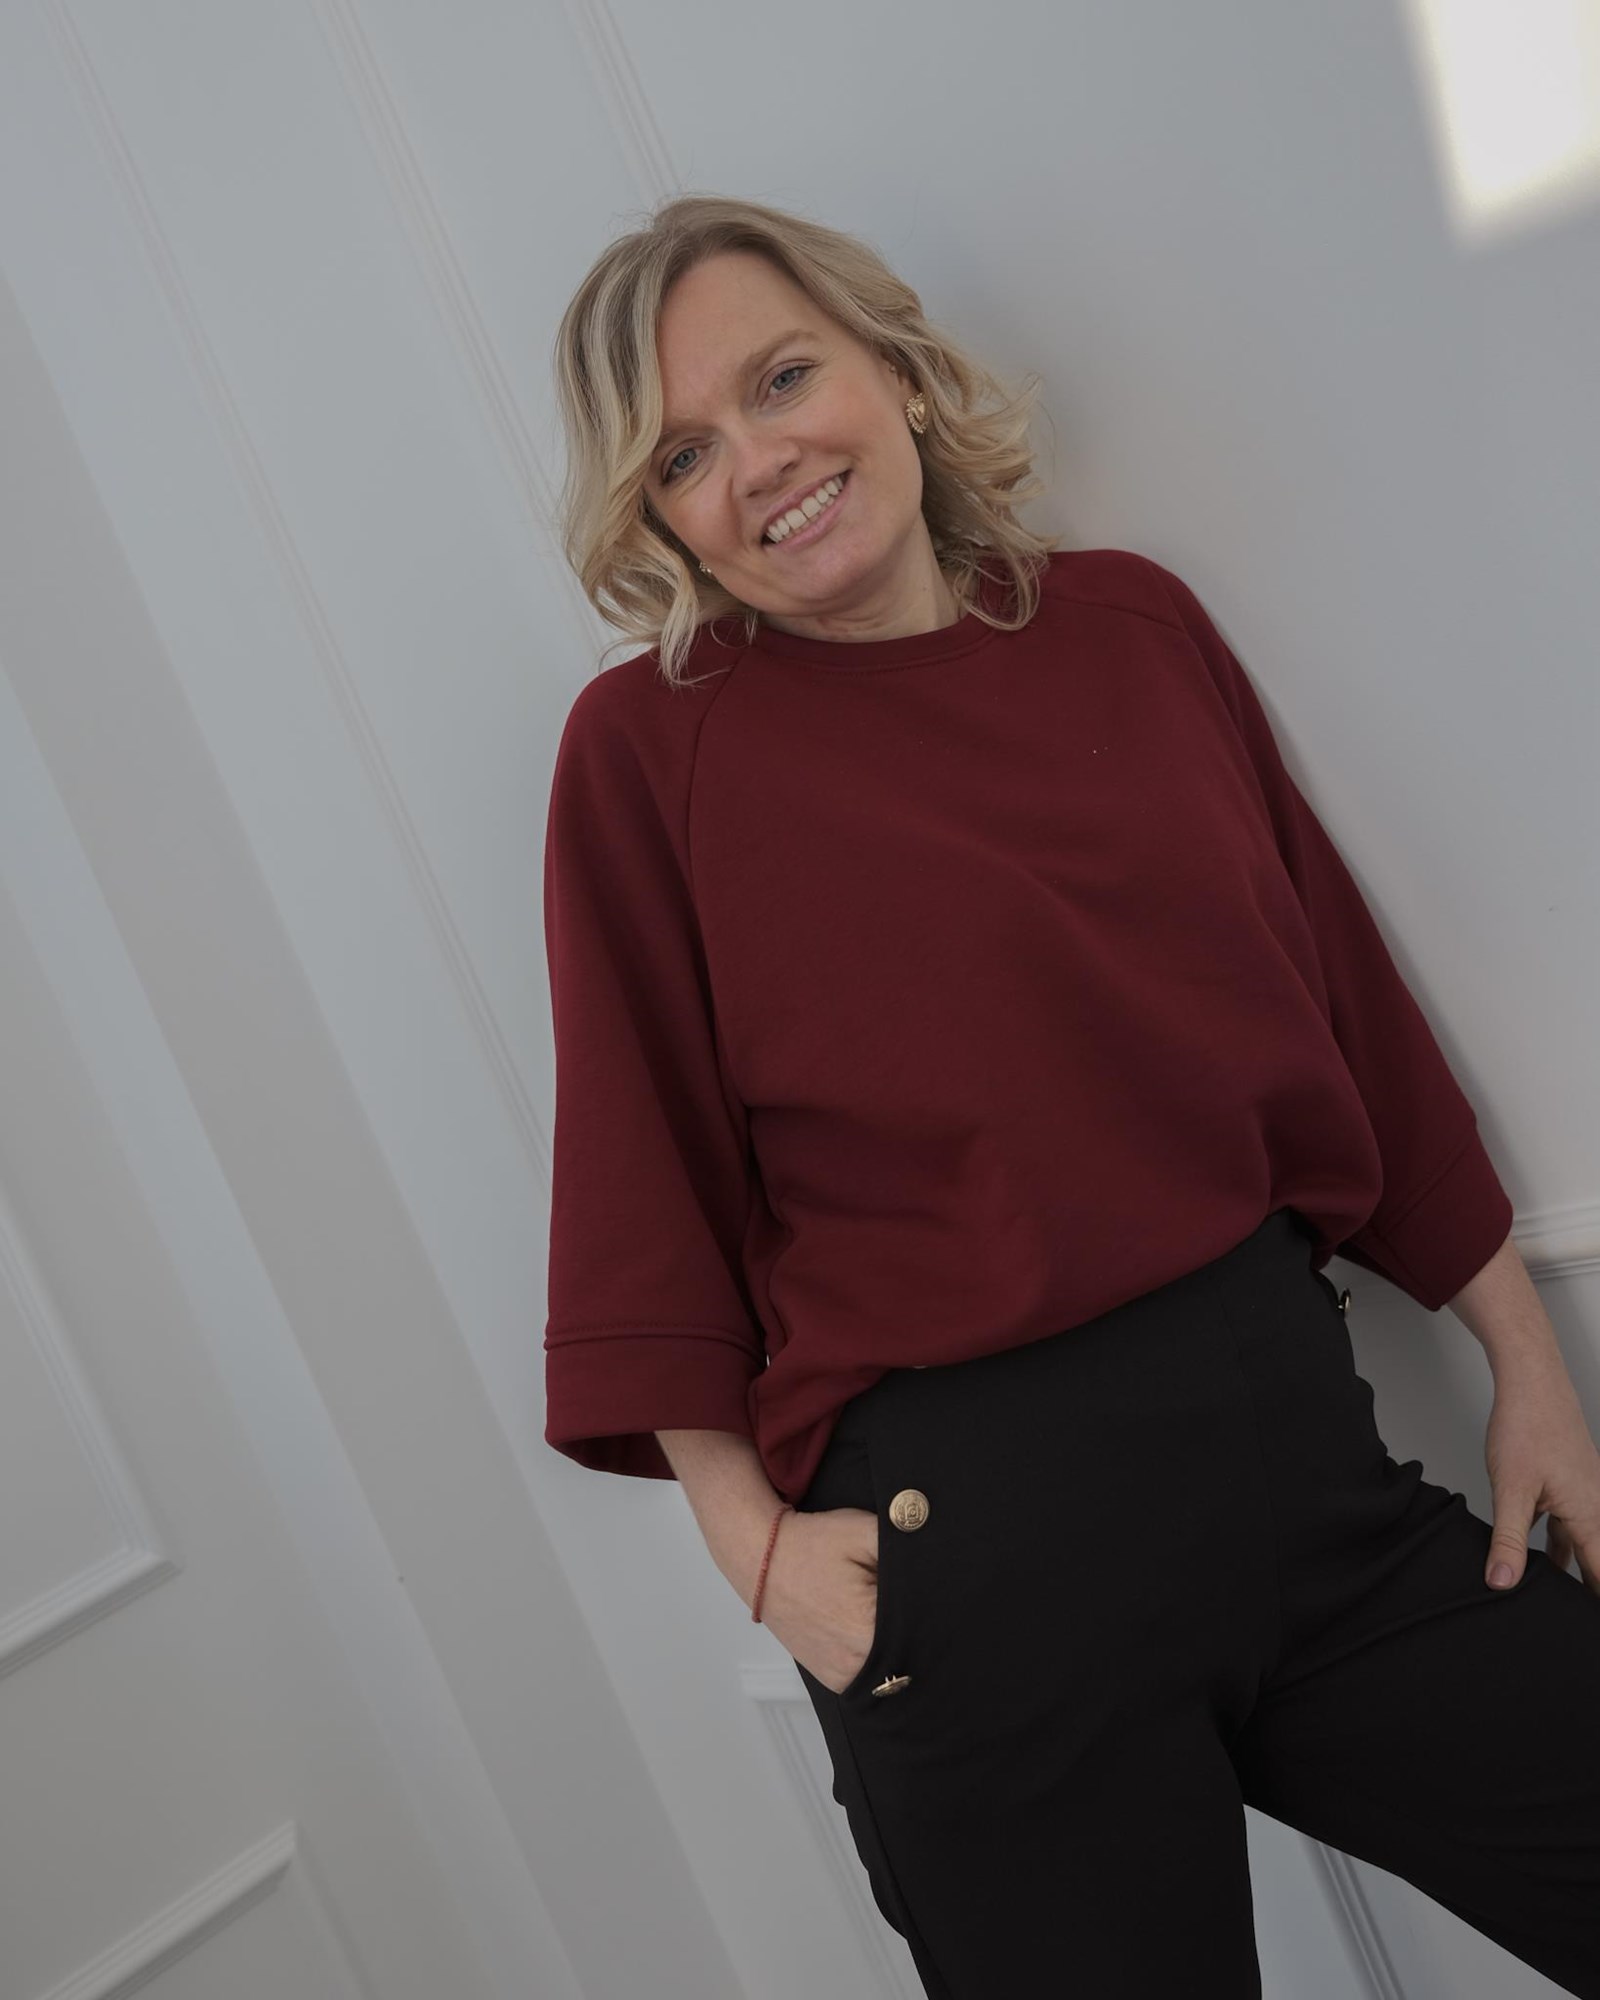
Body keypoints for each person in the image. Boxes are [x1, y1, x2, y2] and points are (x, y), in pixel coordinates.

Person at [541, 192, 1600, 1997]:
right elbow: (643, 1184)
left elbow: (1342, 1008)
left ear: (893, 367)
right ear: (662, 525)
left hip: (1306, 1480)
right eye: (684, 457)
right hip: (979, 1588)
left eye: (782, 378)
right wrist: (756, 1557)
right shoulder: (648, 751)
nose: (758, 462)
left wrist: (1529, 1366)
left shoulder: (1131, 628)